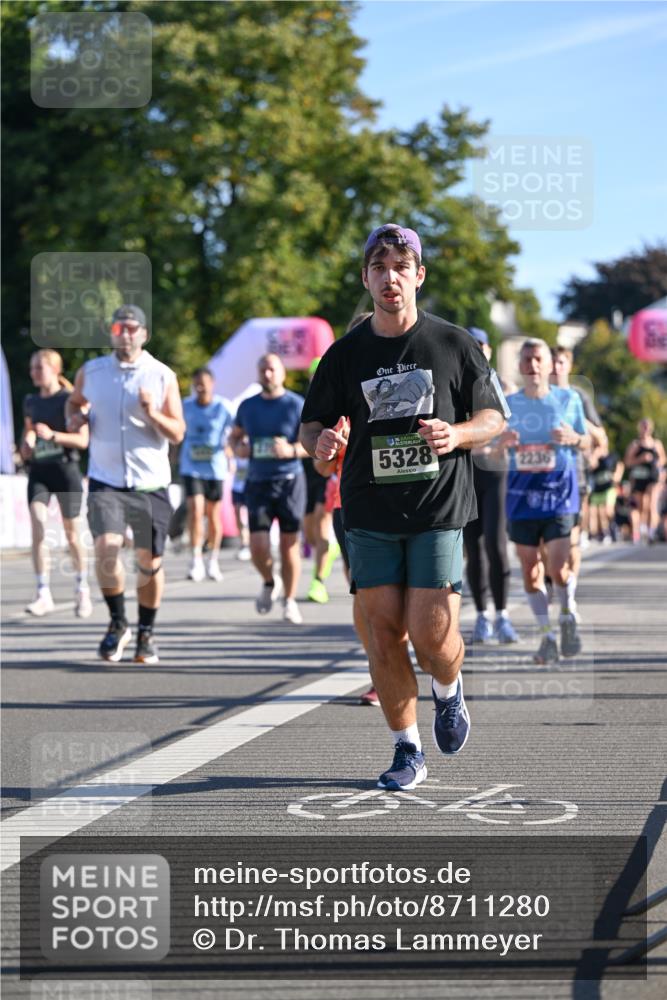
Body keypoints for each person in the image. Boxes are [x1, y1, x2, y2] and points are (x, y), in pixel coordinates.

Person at [300, 223, 508, 791]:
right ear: (366, 278)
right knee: (383, 633)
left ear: (418, 275)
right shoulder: (344, 354)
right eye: (378, 267)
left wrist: (458, 435)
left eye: (400, 266)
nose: (389, 276)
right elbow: (312, 423)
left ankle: (448, 687)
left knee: (430, 633)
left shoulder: (454, 343)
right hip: (368, 511)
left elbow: (493, 417)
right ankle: (406, 749)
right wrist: (319, 443)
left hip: (437, 506)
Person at [66, 305, 185, 663]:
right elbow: (73, 404)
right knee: (105, 550)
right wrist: (75, 419)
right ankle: (118, 622)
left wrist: (153, 414)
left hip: (150, 484)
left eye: (133, 328)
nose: (127, 333)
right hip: (106, 481)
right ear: (111, 332)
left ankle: (146, 632)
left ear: (144, 334)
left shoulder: (162, 375)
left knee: (148, 561)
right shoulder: (92, 372)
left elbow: (177, 432)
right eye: (120, 327)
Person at [496, 339, 590, 665]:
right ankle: (548, 635)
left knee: (558, 569)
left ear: (550, 365)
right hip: (521, 498)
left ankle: (567, 611)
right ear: (519, 366)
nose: (532, 366)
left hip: (559, 496)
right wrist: (502, 442)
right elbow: (492, 451)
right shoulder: (507, 404)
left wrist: (575, 438)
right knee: (529, 569)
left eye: (538, 359)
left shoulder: (569, 399)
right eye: (526, 360)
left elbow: (588, 440)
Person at [229, 353, 307, 624]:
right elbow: (234, 438)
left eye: (272, 369)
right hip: (258, 482)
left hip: (289, 481)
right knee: (258, 546)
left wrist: (290, 449)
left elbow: (310, 444)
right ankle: (268, 581)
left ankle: (289, 600)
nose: (268, 374)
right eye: (263, 369)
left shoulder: (296, 405)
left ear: (282, 372)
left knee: (289, 546)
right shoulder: (248, 406)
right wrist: (239, 448)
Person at [20, 349, 92, 618]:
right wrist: (26, 445)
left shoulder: (68, 399)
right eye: (32, 368)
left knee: (72, 533)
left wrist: (54, 436)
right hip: (39, 471)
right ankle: (42, 592)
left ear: (54, 369)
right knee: (38, 526)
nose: (34, 372)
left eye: (39, 367)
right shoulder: (30, 401)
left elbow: (83, 441)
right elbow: (27, 432)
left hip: (65, 470)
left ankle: (82, 588)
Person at [463, 328, 519, 645]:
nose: (476, 350)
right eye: (470, 344)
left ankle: (503, 615)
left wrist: (492, 446)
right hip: (468, 472)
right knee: (474, 549)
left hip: (495, 471)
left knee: (496, 546)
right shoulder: (456, 380)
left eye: (480, 345)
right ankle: (482, 616)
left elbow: (505, 429)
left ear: (489, 349)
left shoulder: (498, 384)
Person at [549, 346, 606, 573]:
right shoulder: (537, 394)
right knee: (547, 537)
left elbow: (601, 437)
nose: (556, 367)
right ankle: (553, 580)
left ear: (569, 366)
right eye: (552, 362)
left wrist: (579, 424)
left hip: (575, 473)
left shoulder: (578, 397)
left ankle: (568, 589)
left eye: (561, 362)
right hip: (542, 472)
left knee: (570, 535)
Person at [179, 367, 233, 582]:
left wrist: (231, 451)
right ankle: (196, 560)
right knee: (195, 511)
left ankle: (213, 559)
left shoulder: (223, 407)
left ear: (213, 384)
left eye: (204, 383)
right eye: (196, 384)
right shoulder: (186, 406)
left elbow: (236, 432)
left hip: (215, 467)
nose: (200, 387)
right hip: (191, 466)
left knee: (213, 515)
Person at [624, 418, 666, 543]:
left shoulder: (656, 444)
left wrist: (657, 463)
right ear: (640, 428)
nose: (645, 429)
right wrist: (641, 459)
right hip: (639, 478)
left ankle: (651, 532)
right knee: (641, 505)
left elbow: (663, 459)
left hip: (652, 477)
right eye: (643, 426)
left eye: (647, 427)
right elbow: (627, 463)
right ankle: (641, 529)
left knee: (652, 504)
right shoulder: (635, 444)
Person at [588, 447, 624, 543]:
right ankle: (605, 533)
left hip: (609, 487)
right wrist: (595, 455)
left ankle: (613, 526)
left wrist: (617, 475)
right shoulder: (593, 454)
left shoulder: (611, 455)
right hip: (597, 488)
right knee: (599, 513)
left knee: (608, 511)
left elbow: (620, 464)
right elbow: (591, 466)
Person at [230, 456, 251, 560]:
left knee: (251, 515)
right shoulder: (235, 442)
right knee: (238, 513)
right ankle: (244, 543)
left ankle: (250, 543)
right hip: (237, 486)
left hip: (252, 485)